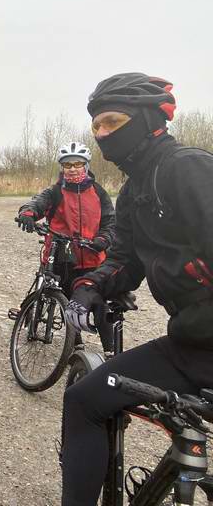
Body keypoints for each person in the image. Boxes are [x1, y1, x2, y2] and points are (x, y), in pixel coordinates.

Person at [60, 73, 213, 506]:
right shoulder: (132, 192)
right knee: (83, 401)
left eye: (112, 121)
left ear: (148, 119)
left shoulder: (188, 168)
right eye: (96, 127)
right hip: (189, 347)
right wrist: (90, 285)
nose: (103, 134)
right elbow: (124, 260)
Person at [16, 141, 116, 351]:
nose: (72, 169)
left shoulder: (99, 193)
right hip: (62, 257)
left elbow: (110, 222)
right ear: (62, 167)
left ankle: (111, 354)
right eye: (67, 164)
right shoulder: (55, 192)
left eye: (77, 164)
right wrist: (27, 213)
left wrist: (103, 240)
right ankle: (75, 345)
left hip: (92, 258)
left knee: (100, 306)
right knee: (69, 302)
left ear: (86, 165)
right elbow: (36, 203)